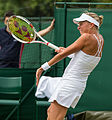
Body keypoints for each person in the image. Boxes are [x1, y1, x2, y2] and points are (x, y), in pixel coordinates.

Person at [36, 11, 104, 120]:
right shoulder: (100, 39)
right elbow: (84, 57)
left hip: (70, 84)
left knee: (54, 117)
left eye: (81, 23)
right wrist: (67, 52)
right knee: (51, 112)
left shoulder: (86, 37)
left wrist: (42, 67)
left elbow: (64, 54)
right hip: (76, 84)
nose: (78, 27)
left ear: (91, 25)